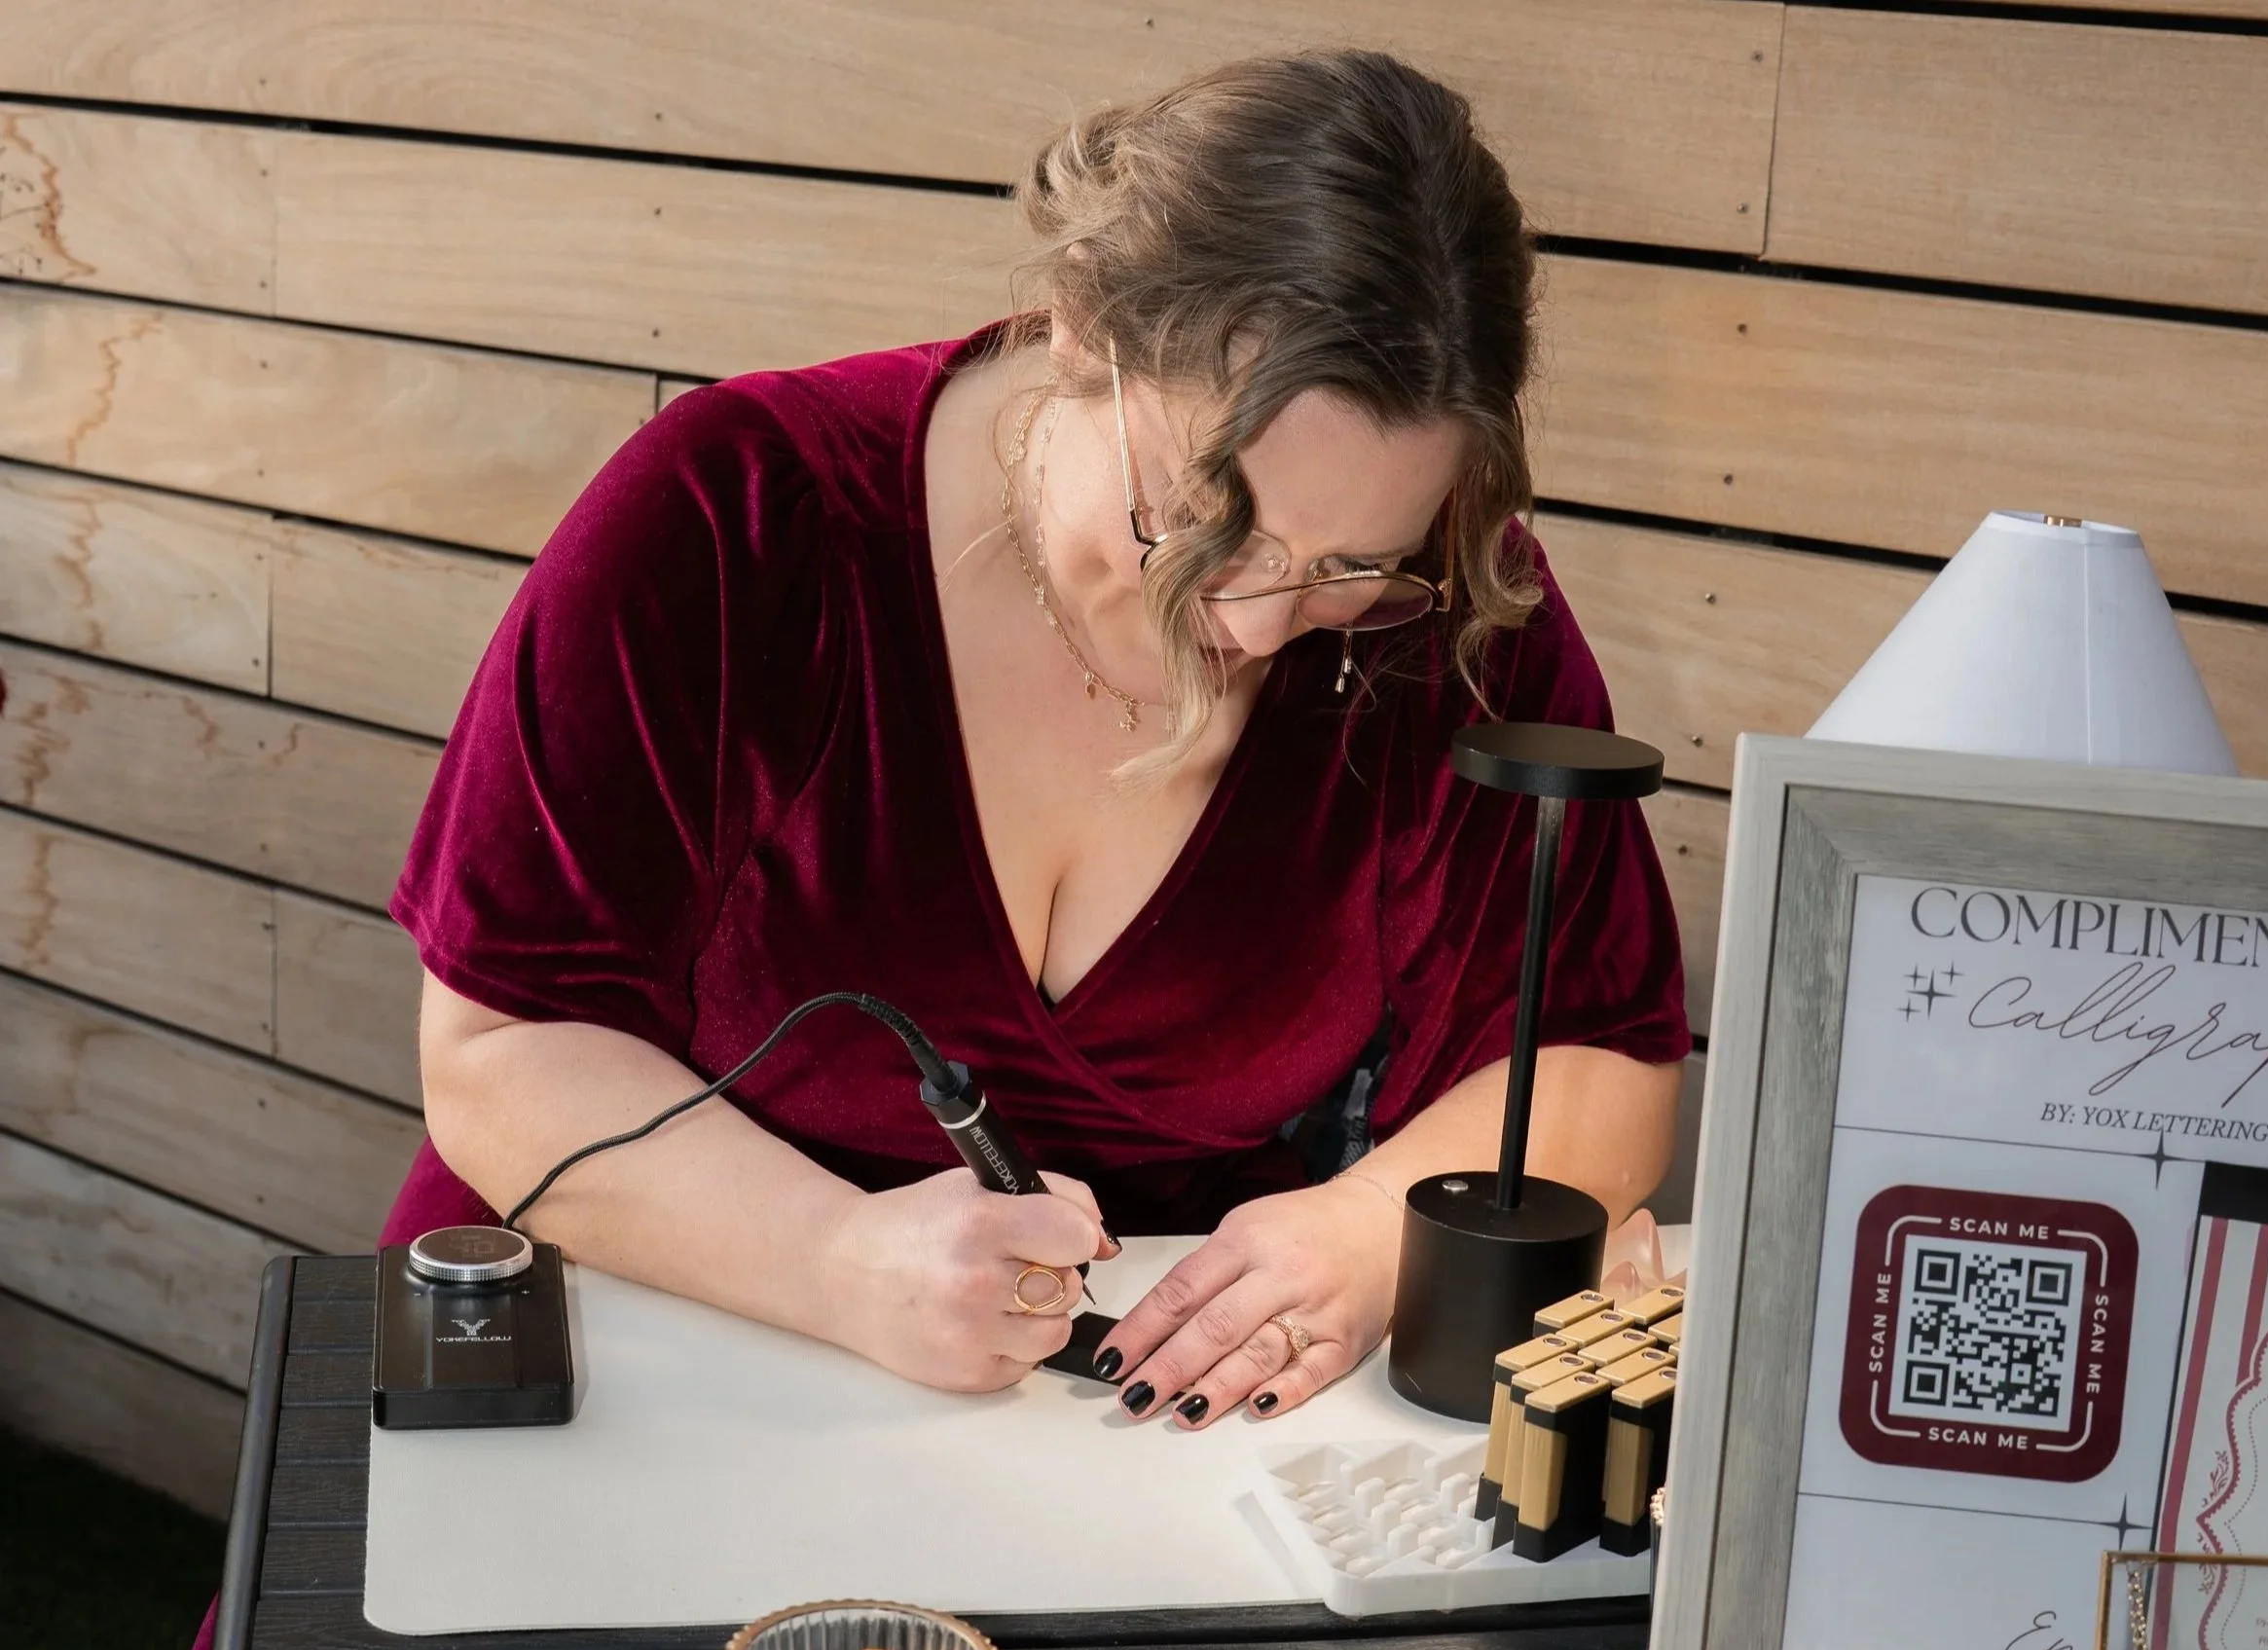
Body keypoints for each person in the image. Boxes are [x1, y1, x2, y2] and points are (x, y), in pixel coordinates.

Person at [384, 48, 1689, 1430]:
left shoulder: (1459, 616)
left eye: (1348, 563)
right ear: (1079, 327)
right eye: (1197, 521)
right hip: (598, 1336)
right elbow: (500, 1048)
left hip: (1095, 1415)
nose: (1251, 625)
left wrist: (1368, 1227)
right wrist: (836, 1259)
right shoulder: (734, 517)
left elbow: (1598, 1054)